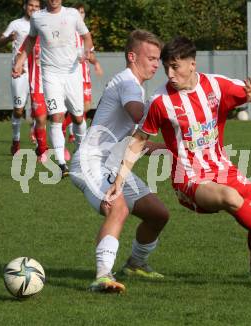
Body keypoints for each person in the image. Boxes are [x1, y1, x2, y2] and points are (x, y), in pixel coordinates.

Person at [106, 36, 251, 280]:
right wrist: (119, 179)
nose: (170, 74)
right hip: (189, 178)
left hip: (222, 168)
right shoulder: (160, 102)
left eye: (175, 66)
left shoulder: (218, 86)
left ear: (192, 64)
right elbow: (139, 140)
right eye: (166, 68)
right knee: (230, 197)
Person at [70, 30, 169, 293]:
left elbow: (137, 141)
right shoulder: (128, 83)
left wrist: (171, 150)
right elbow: (139, 114)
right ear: (132, 56)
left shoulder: (132, 85)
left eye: (158, 59)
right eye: (151, 58)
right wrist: (172, 116)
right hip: (90, 164)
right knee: (118, 208)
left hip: (112, 165)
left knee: (158, 214)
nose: (156, 64)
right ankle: (103, 275)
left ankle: (135, 263)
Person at [13, 0, 95, 177]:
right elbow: (30, 40)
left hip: (72, 72)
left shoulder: (72, 14)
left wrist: (87, 51)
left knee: (78, 117)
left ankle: (81, 154)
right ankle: (61, 163)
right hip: (50, 73)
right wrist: (20, 61)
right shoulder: (37, 17)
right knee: (56, 116)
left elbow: (87, 36)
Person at [0, 0, 48, 159]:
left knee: (39, 110)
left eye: (36, 6)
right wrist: (8, 39)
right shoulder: (16, 24)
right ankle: (16, 141)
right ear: (25, 6)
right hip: (21, 73)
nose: (33, 8)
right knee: (19, 110)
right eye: (31, 5)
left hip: (39, 73)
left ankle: (40, 144)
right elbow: (0, 40)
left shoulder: (43, 23)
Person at [62, 2, 103, 147]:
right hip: (71, 76)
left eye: (82, 12)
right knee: (76, 109)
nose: (80, 14)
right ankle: (68, 133)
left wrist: (95, 62)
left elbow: (91, 55)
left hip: (84, 76)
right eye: (77, 12)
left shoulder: (85, 34)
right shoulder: (67, 32)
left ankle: (72, 134)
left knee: (85, 108)